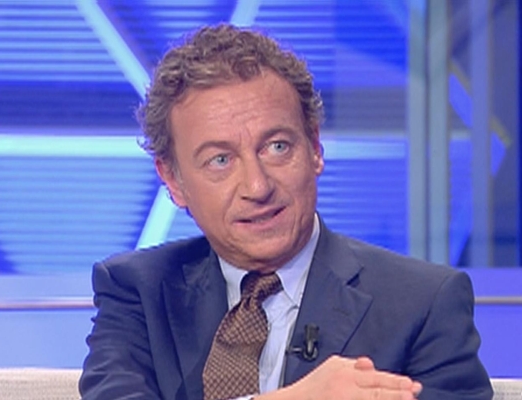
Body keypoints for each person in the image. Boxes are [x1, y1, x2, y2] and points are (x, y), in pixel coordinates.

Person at [79, 24, 492, 400]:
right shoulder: (137, 291)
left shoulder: (421, 304)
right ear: (173, 180)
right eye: (220, 160)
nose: (257, 187)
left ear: (314, 147)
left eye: (277, 147)